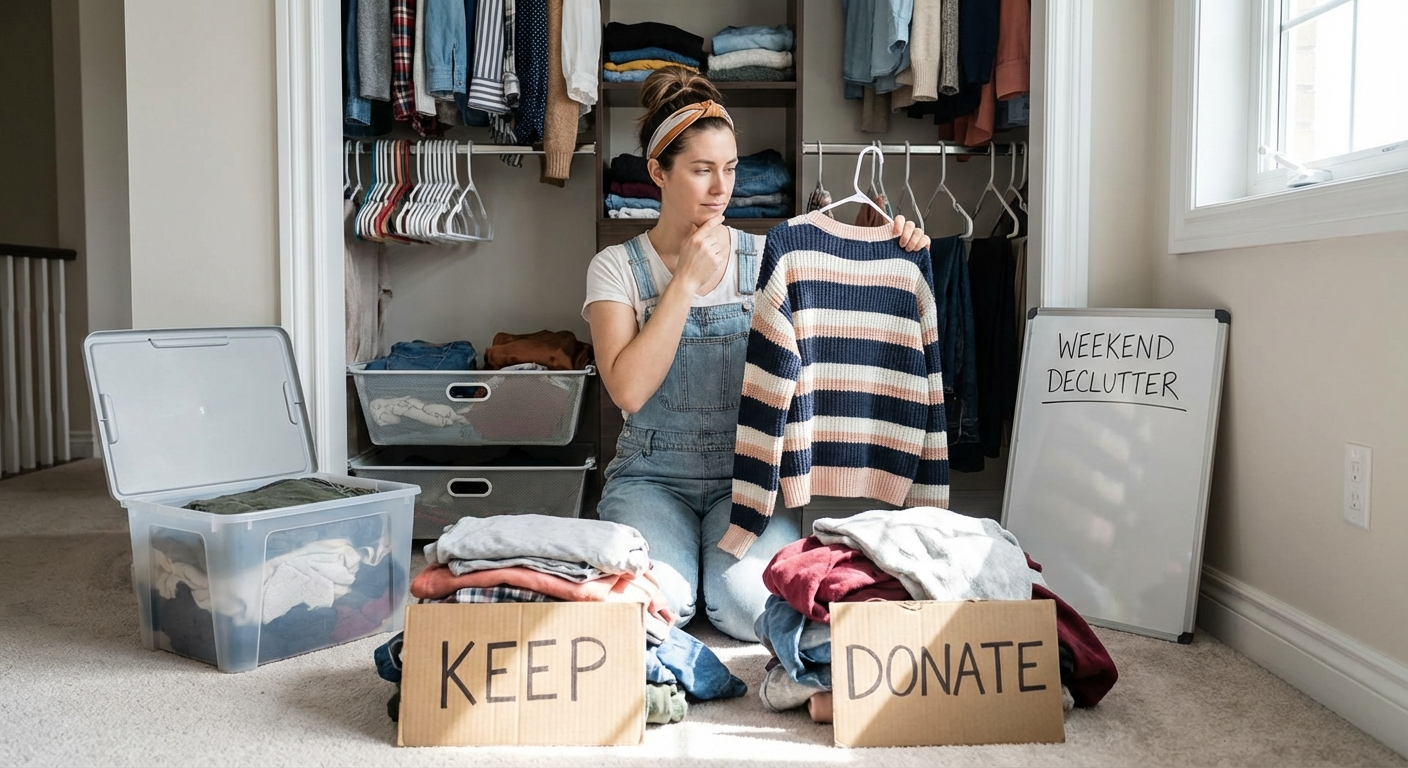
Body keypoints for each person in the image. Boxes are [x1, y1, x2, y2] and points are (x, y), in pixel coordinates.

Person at [583, 68, 933, 641]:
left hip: (750, 476)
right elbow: (627, 389)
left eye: (731, 168)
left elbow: (839, 332)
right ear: (657, 172)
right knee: (659, 604)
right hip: (649, 475)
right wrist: (683, 285)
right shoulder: (616, 267)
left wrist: (886, 250)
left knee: (749, 609)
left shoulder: (772, 255)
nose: (722, 187)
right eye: (701, 170)